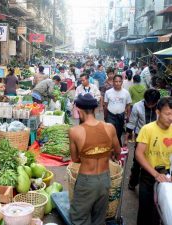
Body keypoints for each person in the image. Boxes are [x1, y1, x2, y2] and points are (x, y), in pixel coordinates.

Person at [69, 93, 121, 225]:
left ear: (79, 110)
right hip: (105, 178)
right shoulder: (110, 127)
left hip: (86, 180)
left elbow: (74, 159)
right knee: (99, 218)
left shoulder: (75, 131)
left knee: (79, 217)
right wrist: (104, 154)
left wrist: (88, 157)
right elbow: (118, 152)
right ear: (95, 109)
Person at [135, 97, 172, 225]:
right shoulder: (147, 129)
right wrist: (155, 174)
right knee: (145, 210)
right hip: (149, 175)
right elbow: (139, 154)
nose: (171, 118)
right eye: (168, 114)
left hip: (167, 176)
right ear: (158, 112)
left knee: (162, 212)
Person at [125, 89, 161, 190]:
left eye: (152, 103)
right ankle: (133, 182)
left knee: (155, 160)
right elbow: (132, 122)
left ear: (157, 101)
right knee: (137, 162)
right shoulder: (137, 106)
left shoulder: (162, 107)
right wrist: (126, 137)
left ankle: (153, 183)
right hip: (141, 138)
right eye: (148, 103)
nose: (150, 105)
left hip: (157, 138)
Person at [104, 75, 132, 146]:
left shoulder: (126, 92)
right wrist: (105, 116)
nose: (117, 83)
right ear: (113, 82)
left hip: (121, 115)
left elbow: (128, 105)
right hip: (110, 115)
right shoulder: (108, 92)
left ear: (122, 82)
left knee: (119, 133)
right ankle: (113, 148)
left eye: (119, 81)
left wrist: (128, 116)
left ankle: (117, 148)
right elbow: (105, 105)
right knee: (111, 132)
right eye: (116, 81)